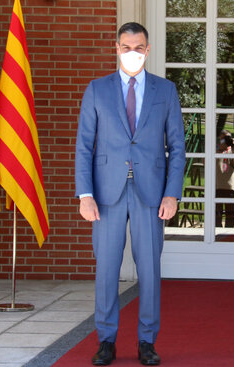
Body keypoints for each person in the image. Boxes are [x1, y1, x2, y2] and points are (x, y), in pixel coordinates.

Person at [75, 22, 185, 366]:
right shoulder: (96, 89)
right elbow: (84, 146)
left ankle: (147, 341)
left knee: (149, 270)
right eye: (126, 47)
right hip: (106, 193)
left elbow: (177, 147)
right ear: (117, 47)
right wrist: (84, 194)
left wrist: (172, 193)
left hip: (151, 192)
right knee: (106, 270)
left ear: (147, 50)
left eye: (138, 47)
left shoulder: (165, 91)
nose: (132, 53)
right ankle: (106, 340)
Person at [216, 130, 234, 228]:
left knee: (230, 215)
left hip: (230, 188)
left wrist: (233, 147)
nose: (225, 141)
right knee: (216, 216)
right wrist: (218, 149)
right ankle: (217, 235)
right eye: (223, 138)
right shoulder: (214, 151)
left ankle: (229, 235)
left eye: (227, 138)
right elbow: (205, 163)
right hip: (217, 187)